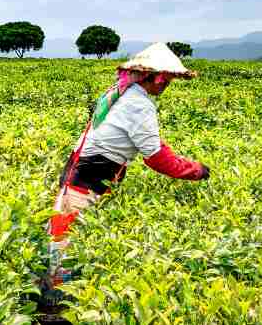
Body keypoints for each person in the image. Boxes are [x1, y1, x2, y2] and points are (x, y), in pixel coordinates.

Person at [41, 42, 210, 306]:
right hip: (86, 179)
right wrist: (195, 170)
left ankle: (59, 301)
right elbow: (156, 157)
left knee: (65, 237)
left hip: (84, 172)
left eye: (169, 79)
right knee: (64, 245)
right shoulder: (139, 105)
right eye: (164, 78)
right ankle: (56, 310)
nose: (166, 84)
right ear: (148, 76)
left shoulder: (124, 93)